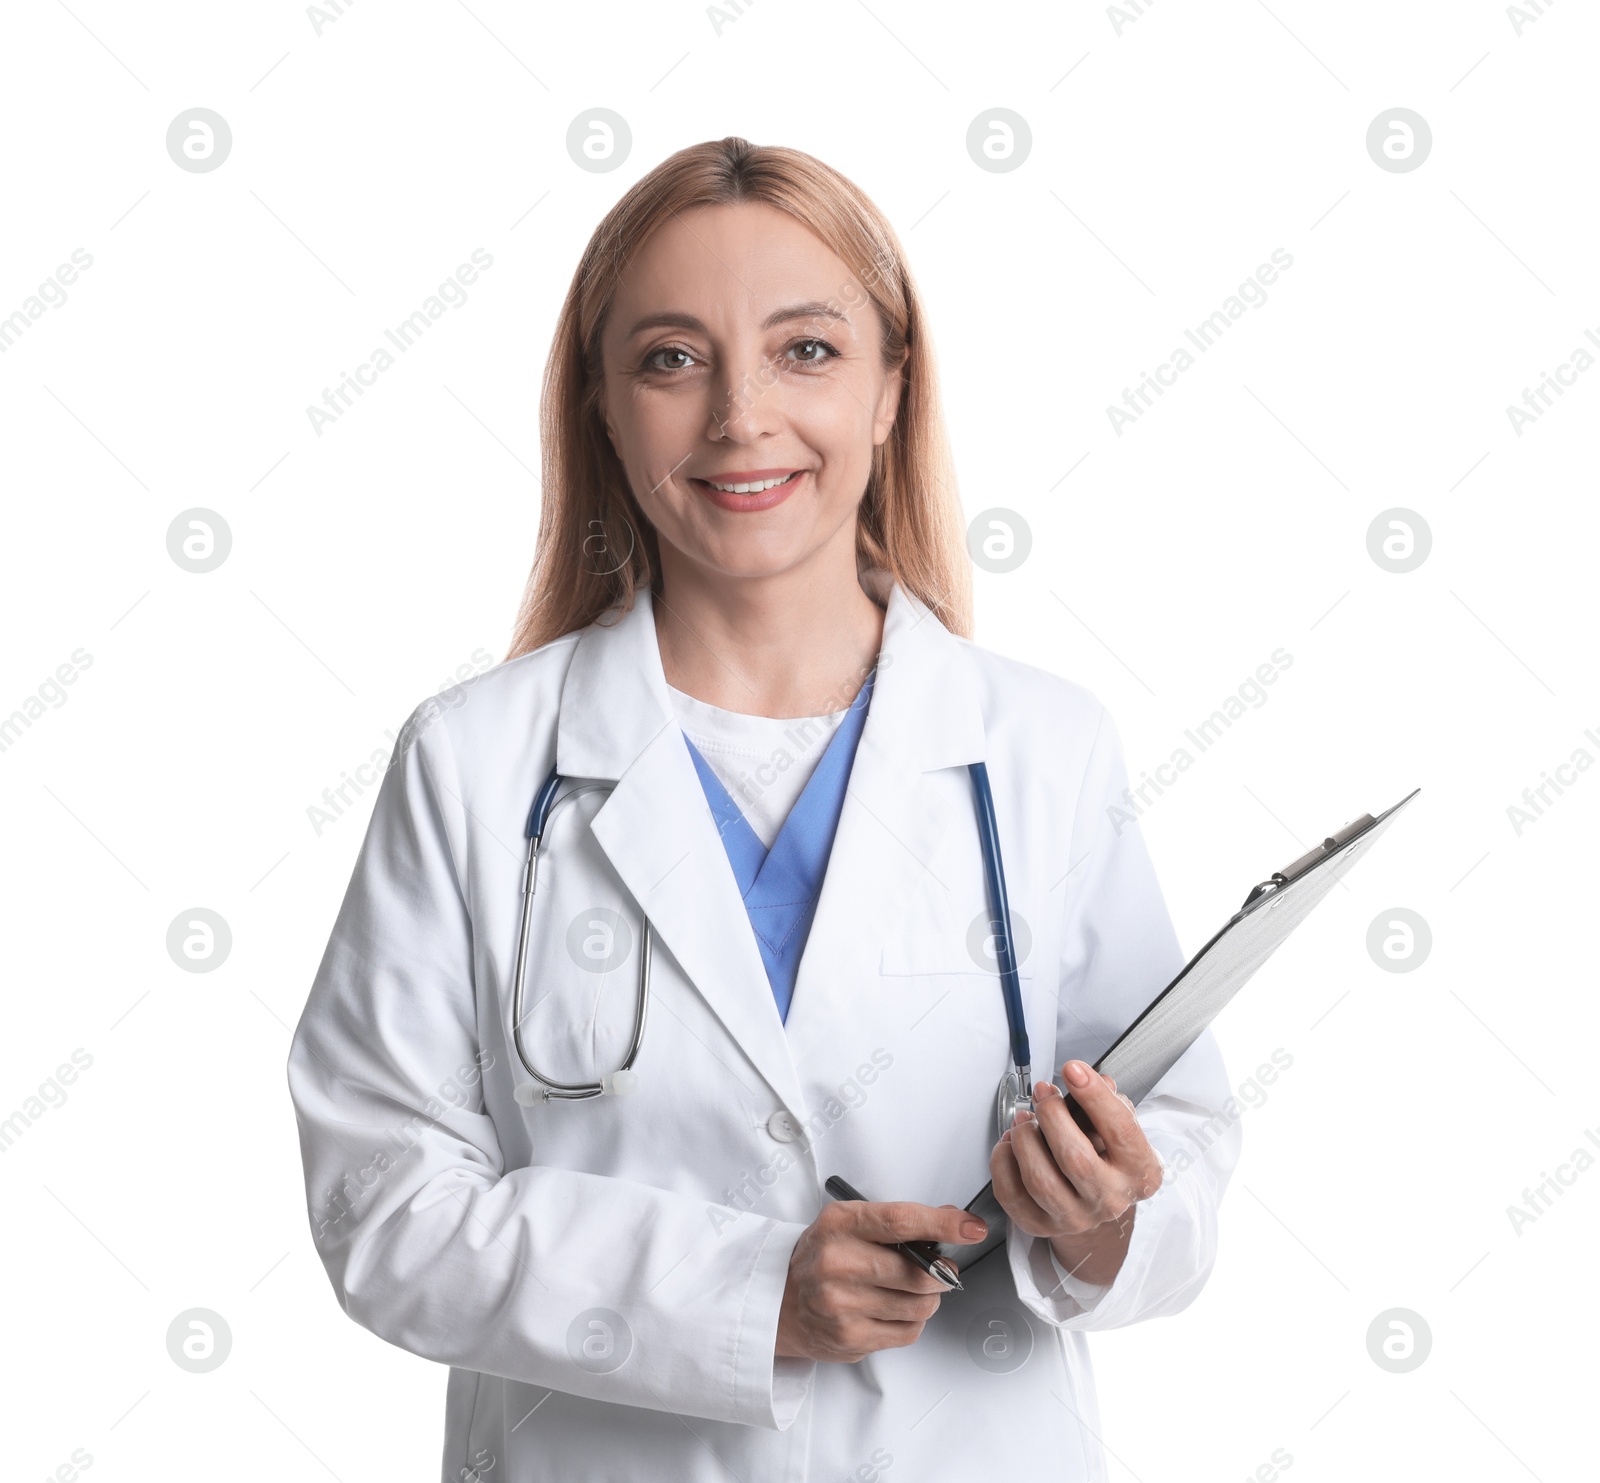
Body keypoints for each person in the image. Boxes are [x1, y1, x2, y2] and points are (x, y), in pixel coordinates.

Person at [288, 135, 1240, 1483]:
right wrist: (745, 1297)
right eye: (672, 359)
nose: (742, 415)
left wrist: (1101, 1220)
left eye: (806, 350)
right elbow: (384, 1207)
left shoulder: (1040, 748)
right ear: (602, 405)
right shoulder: (475, 764)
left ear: (892, 388)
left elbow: (1183, 1154)